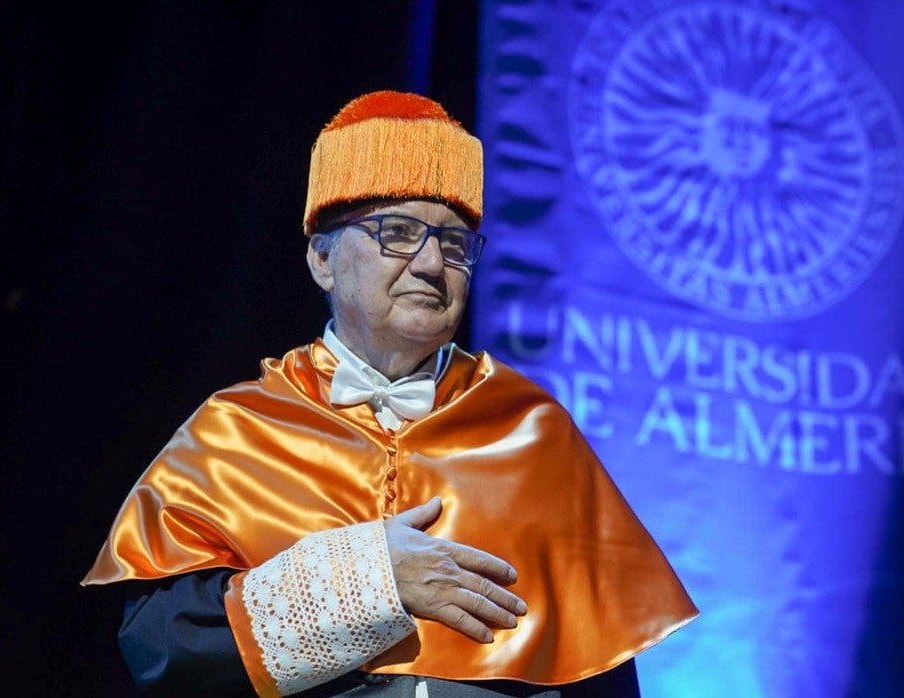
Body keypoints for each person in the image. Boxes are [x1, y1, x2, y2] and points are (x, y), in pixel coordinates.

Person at [81, 89, 699, 697]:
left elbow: (599, 665)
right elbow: (163, 651)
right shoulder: (237, 430)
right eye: (397, 232)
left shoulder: (531, 428)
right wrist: (367, 582)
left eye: (454, 243)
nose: (432, 264)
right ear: (322, 259)